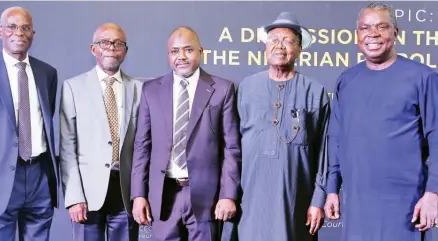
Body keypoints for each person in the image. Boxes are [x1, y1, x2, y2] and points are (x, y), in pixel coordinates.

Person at [325, 2, 438, 241]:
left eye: (381, 27)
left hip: (406, 207)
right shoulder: (347, 80)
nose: (372, 34)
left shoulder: (424, 77)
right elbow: (336, 138)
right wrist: (332, 188)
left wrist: (433, 193)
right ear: (357, 35)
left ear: (395, 33)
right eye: (365, 28)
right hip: (357, 206)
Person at [131, 26, 241, 241]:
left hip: (205, 197)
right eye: (174, 51)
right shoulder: (151, 90)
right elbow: (142, 146)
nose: (181, 56)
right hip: (163, 197)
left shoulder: (223, 89)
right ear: (168, 55)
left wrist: (228, 194)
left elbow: (231, 148)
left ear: (201, 52)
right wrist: (138, 194)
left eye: (188, 50)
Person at [0, 7, 59, 241]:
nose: (19, 33)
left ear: (33, 34)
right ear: (0, 32)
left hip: (39, 178)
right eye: (12, 26)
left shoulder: (47, 73)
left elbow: (46, 119)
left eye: (26, 28)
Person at [236, 12, 329, 241]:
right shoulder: (246, 88)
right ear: (265, 47)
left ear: (299, 50)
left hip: (296, 201)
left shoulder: (315, 92)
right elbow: (230, 148)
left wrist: (318, 200)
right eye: (274, 40)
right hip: (250, 202)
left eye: (288, 41)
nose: (280, 46)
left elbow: (325, 153)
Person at [59, 23, 142, 241]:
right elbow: (67, 147)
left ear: (125, 51)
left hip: (126, 193)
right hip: (86, 194)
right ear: (93, 48)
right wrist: (74, 196)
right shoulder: (72, 87)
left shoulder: (140, 89)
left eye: (118, 43)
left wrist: (140, 193)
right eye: (104, 42)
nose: (111, 47)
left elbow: (144, 146)